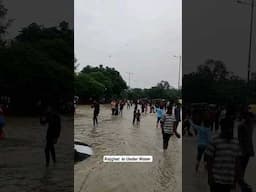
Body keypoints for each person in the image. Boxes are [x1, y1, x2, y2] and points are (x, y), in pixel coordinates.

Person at [205, 111, 242, 192]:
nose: (230, 131)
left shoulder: (236, 142)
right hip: (216, 181)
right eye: (227, 128)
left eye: (231, 128)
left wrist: (236, 180)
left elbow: (237, 163)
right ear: (222, 128)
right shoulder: (214, 141)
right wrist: (210, 177)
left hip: (229, 181)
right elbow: (209, 160)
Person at [238, 110, 254, 191]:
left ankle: (240, 181)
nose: (251, 119)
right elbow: (240, 139)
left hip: (248, 149)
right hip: (242, 150)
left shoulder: (251, 124)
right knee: (240, 167)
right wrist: (241, 150)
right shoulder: (241, 126)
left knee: (243, 167)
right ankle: (239, 182)